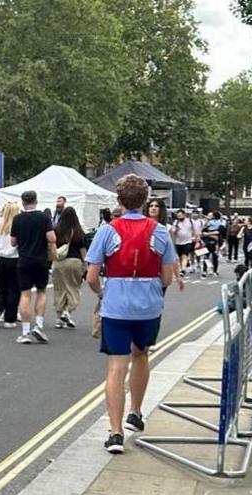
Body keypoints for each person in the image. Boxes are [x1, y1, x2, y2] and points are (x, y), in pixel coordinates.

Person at [84, 173, 179, 453]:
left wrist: (102, 293)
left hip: (116, 305)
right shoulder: (160, 231)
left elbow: (91, 275)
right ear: (146, 200)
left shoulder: (107, 231)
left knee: (116, 365)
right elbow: (167, 276)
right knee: (141, 354)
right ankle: (135, 413)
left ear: (119, 200)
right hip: (148, 306)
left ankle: (115, 432)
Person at [11, 189, 55, 344]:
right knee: (41, 292)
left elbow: (13, 242)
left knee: (25, 294)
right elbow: (51, 238)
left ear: (23, 202)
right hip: (41, 260)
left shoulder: (17, 219)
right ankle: (39, 326)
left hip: (23, 260)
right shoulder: (44, 217)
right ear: (36, 201)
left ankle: (25, 331)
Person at [51, 206, 87, 329]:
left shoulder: (56, 229)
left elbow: (51, 246)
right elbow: (83, 251)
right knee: (73, 288)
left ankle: (58, 318)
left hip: (58, 262)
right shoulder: (78, 231)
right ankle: (67, 312)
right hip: (74, 262)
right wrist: (86, 265)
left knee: (59, 290)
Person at [0, 201, 20, 328]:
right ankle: (10, 319)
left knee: (1, 288)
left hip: (0, 259)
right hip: (15, 259)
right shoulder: (18, 225)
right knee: (13, 290)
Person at [202, 211, 226, 276]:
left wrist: (208, 234)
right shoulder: (209, 222)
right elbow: (203, 230)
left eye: (211, 215)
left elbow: (219, 231)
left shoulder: (221, 222)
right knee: (205, 255)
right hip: (207, 240)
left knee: (215, 256)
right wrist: (207, 234)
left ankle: (215, 270)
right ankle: (205, 270)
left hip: (216, 241)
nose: (210, 216)